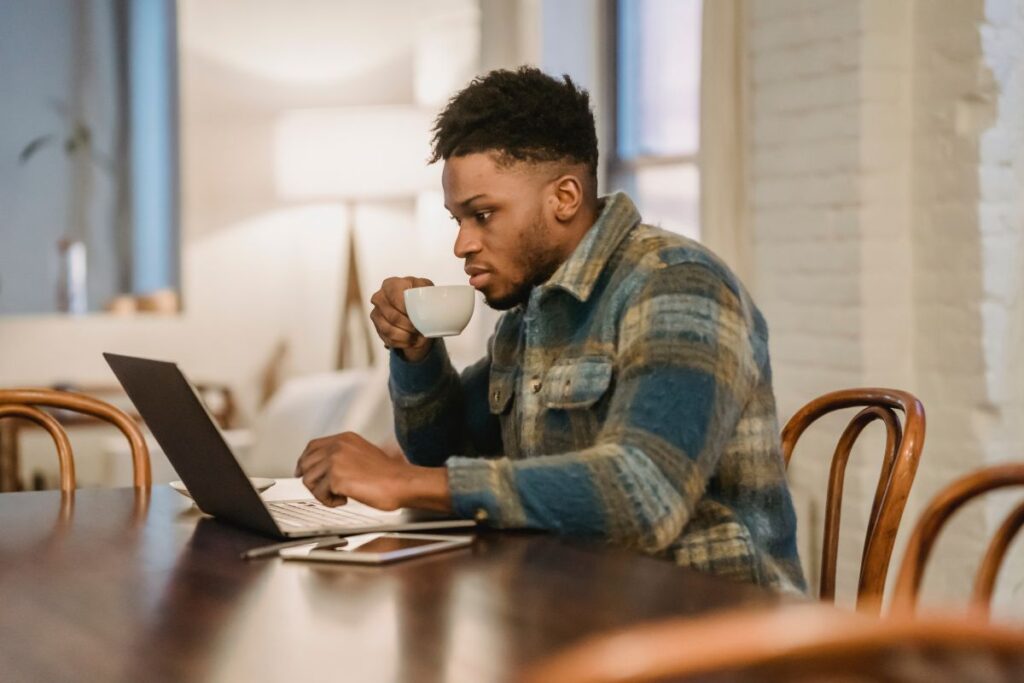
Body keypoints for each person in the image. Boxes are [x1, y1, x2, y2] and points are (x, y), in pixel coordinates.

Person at [295, 66, 805, 593]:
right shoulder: (532, 308)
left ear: (564, 197)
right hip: (577, 601)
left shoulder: (677, 285)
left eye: (483, 214)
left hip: (713, 628)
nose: (462, 245)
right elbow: (443, 455)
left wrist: (399, 480)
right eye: (458, 220)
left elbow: (644, 494)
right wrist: (417, 355)